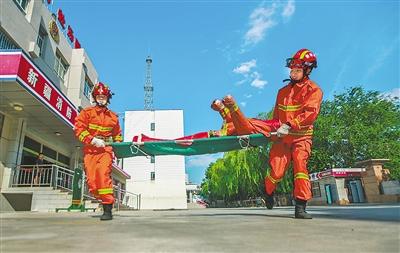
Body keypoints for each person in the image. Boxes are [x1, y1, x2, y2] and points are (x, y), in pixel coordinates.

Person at [264, 49, 323, 219]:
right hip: (281, 138)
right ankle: (268, 192)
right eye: (292, 70)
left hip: (301, 136)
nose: (293, 73)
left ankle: (300, 206)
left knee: (300, 166)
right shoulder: (282, 92)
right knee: (276, 172)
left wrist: (290, 124)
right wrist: (272, 130)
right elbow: (276, 116)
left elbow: (310, 114)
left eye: (297, 70)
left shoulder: (314, 90)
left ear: (308, 70)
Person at [74, 82, 123, 221]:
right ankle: (101, 198)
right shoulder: (87, 113)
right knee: (92, 183)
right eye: (99, 96)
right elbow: (78, 130)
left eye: (104, 96)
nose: (101, 98)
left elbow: (118, 135)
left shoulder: (113, 117)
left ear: (108, 98)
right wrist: (92, 140)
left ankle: (108, 209)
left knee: (103, 176)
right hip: (90, 151)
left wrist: (117, 147)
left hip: (105, 151)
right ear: (95, 97)